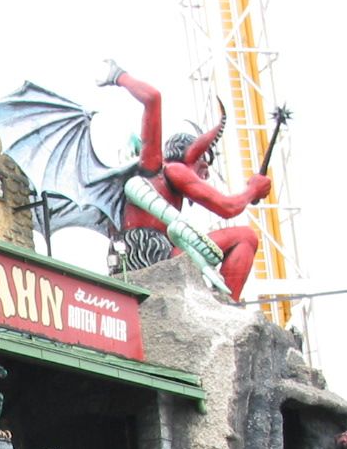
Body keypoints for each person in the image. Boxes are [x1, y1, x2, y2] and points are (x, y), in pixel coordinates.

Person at [101, 62, 272, 301]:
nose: (206, 174)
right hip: (154, 257)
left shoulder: (153, 175)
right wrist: (252, 190)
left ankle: (221, 304)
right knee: (246, 237)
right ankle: (227, 305)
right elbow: (228, 207)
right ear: (192, 154)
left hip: (139, 256)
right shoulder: (171, 170)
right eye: (203, 163)